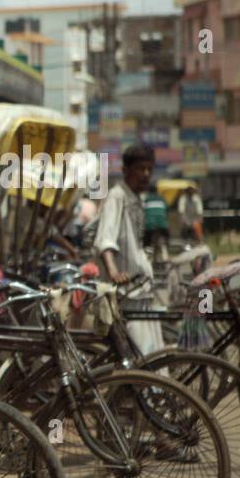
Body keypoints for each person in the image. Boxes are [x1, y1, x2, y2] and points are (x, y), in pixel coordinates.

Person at [95, 143, 163, 354]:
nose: (145, 174)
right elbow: (105, 240)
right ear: (125, 170)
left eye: (149, 169)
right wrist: (114, 272)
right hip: (127, 294)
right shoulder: (117, 197)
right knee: (139, 356)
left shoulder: (135, 198)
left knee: (151, 352)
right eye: (140, 169)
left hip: (141, 290)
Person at [143, 184, 169, 261]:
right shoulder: (162, 199)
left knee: (147, 244)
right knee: (164, 242)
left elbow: (143, 212)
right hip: (162, 225)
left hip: (150, 225)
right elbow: (167, 210)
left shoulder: (146, 199)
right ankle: (165, 258)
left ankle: (147, 260)